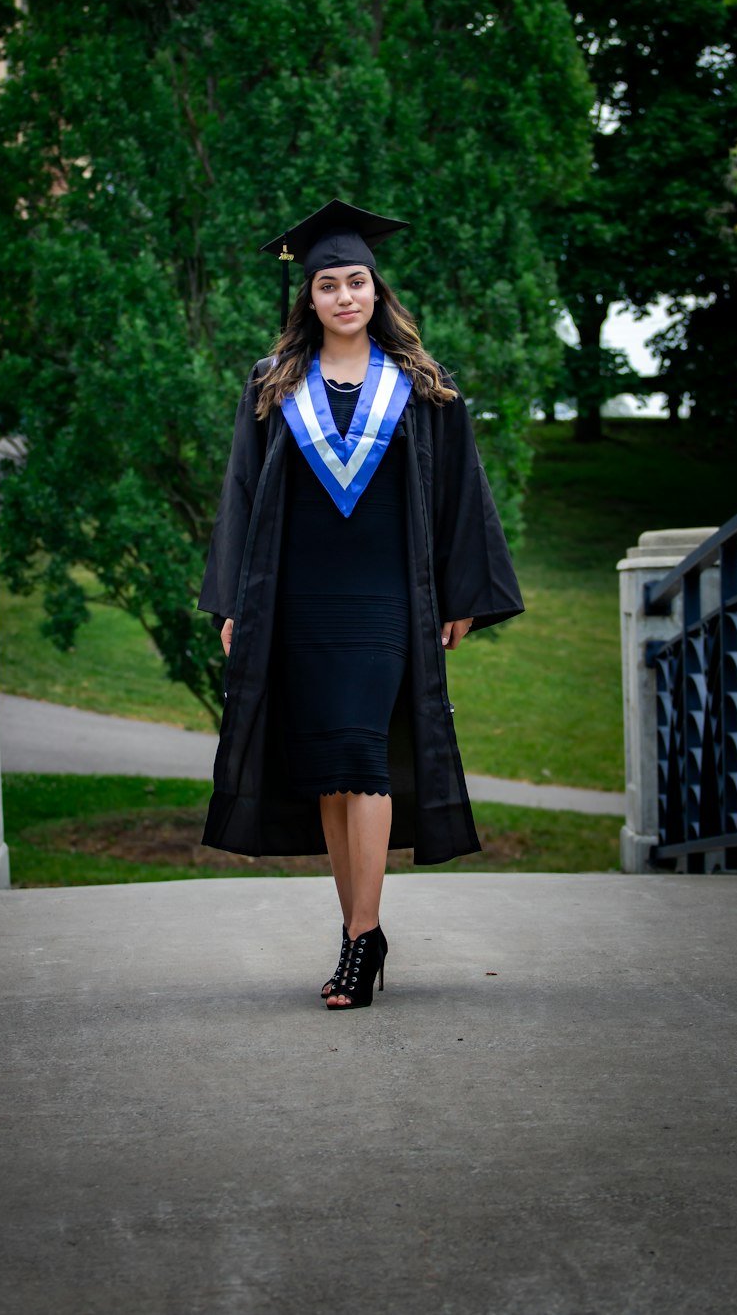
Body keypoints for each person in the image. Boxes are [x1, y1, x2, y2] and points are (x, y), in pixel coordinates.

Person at [198, 199, 523, 1010]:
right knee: (333, 776)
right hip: (300, 597)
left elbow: (459, 496)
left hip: (384, 597)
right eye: (329, 285)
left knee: (368, 758)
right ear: (307, 299)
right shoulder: (274, 385)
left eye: (357, 282)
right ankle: (361, 936)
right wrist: (238, 600)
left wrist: (459, 595)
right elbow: (240, 494)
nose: (346, 296)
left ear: (377, 292)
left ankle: (358, 939)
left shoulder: (420, 385)